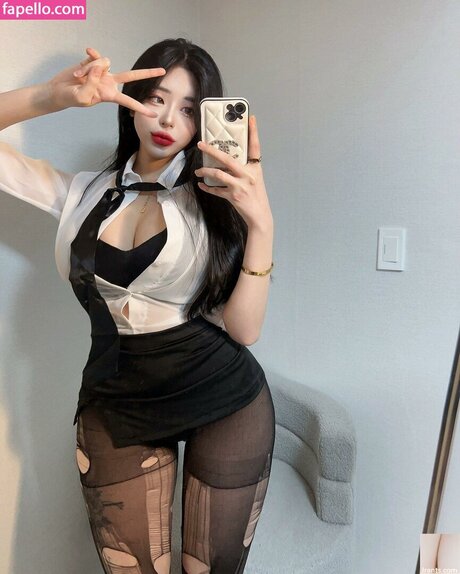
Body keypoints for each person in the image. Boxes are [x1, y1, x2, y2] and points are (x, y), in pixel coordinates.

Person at [0, 38, 275, 574]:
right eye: (156, 98)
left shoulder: (217, 200)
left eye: (189, 109)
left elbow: (244, 331)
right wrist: (54, 96)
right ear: (131, 103)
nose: (168, 119)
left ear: (203, 124)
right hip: (115, 397)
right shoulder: (80, 193)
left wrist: (261, 222)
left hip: (223, 395)